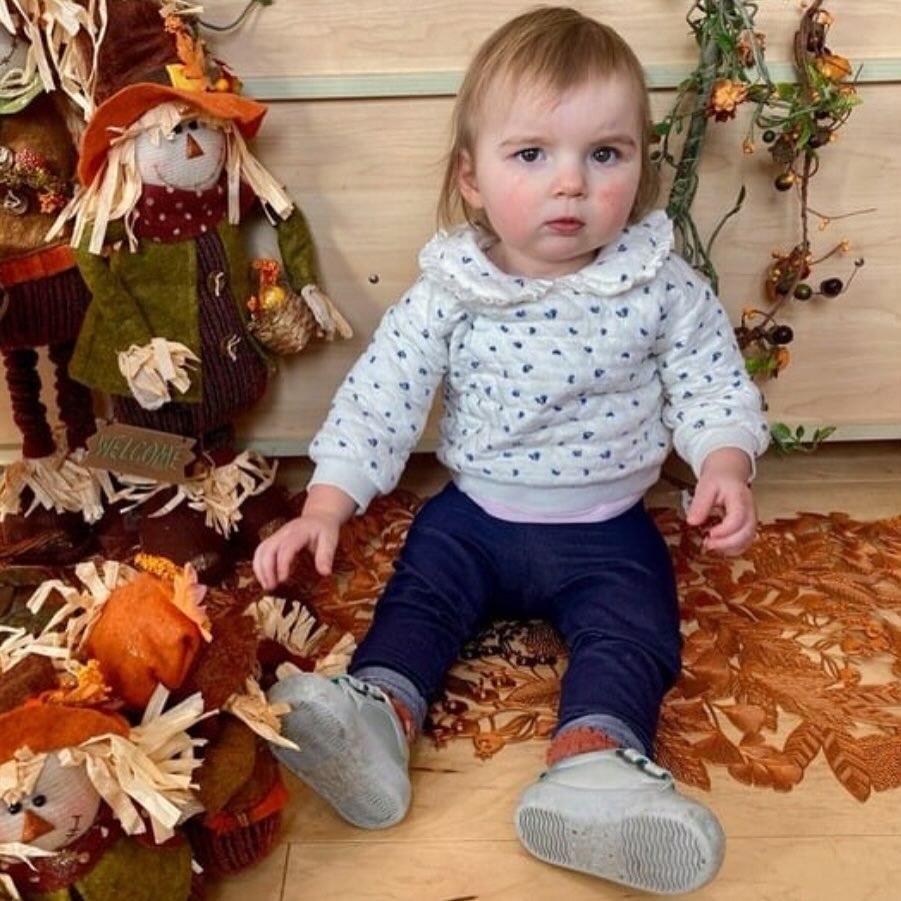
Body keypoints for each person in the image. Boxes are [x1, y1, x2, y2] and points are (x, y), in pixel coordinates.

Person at [253, 6, 769, 895]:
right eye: (532, 155)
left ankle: (593, 764)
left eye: (603, 154)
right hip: (475, 517)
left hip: (609, 529)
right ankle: (378, 713)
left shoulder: (657, 283)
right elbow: (381, 395)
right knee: (418, 596)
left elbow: (711, 383)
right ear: (473, 180)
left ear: (640, 168)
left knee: (635, 631)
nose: (570, 184)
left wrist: (725, 459)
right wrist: (326, 501)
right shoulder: (452, 289)